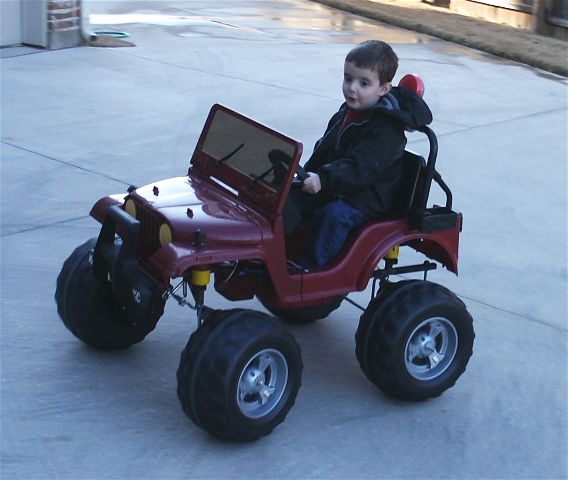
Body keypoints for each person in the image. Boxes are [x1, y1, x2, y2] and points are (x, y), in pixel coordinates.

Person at [290, 40, 432, 269]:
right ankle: (278, 253)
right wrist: (305, 175)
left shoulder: (386, 130)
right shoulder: (347, 112)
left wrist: (323, 179)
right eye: (348, 79)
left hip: (365, 199)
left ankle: (311, 271)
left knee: (333, 216)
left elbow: (360, 168)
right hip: (341, 186)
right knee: (289, 198)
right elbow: (324, 148)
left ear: (384, 89)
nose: (352, 88)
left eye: (363, 83)